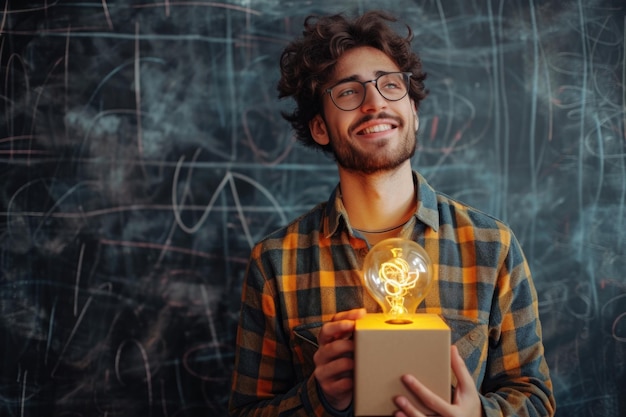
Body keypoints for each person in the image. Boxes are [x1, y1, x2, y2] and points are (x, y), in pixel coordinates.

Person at [228, 10, 556, 417]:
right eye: (348, 92)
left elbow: (535, 397)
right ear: (319, 127)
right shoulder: (277, 262)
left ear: (414, 111)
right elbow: (245, 411)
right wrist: (319, 399)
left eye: (390, 85)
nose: (375, 102)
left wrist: (478, 416)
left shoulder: (491, 247)